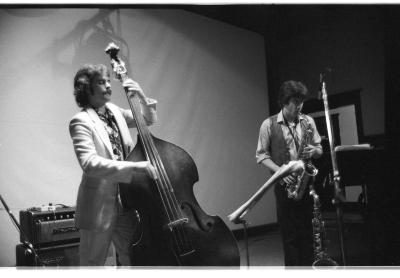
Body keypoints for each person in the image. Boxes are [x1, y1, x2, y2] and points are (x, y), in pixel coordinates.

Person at [69, 64, 158, 266]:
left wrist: (142, 97)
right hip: (98, 206)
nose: (109, 86)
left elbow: (147, 120)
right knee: (93, 263)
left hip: (127, 201)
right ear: (86, 88)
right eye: (101, 82)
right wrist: (134, 167)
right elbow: (89, 163)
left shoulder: (115, 112)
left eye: (109, 81)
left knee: (134, 257)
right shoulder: (80, 121)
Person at [255, 80, 323, 266]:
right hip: (285, 186)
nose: (300, 106)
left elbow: (319, 149)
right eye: (295, 101)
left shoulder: (308, 121)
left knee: (308, 234)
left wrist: (314, 151)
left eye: (301, 101)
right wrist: (282, 172)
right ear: (284, 102)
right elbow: (261, 156)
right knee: (290, 237)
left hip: (306, 184)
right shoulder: (268, 124)